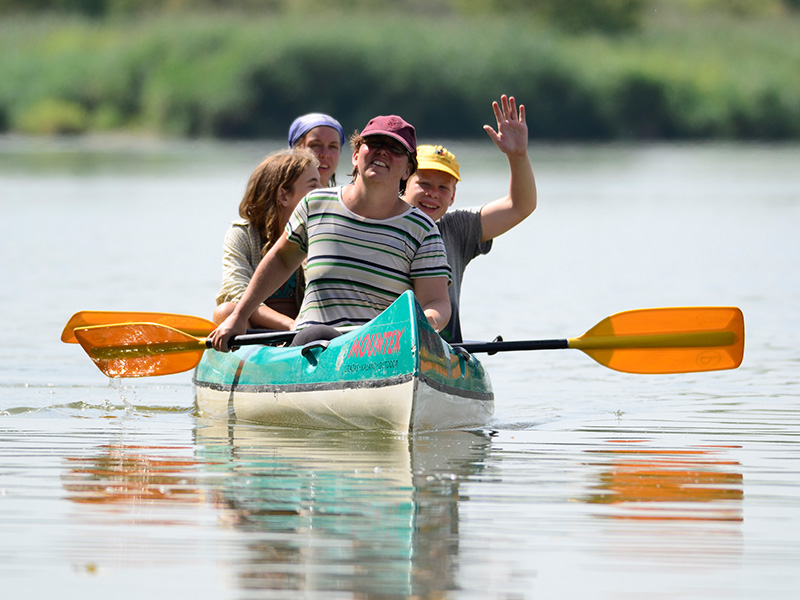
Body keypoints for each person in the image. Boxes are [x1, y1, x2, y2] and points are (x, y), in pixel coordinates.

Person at [208, 115, 451, 352]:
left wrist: (425, 323)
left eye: (395, 149)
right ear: (356, 156)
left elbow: (436, 302)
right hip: (312, 343)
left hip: (380, 350)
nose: (383, 151)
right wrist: (240, 316)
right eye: (374, 144)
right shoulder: (315, 204)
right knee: (317, 335)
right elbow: (281, 260)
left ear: (408, 170)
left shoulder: (423, 229)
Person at [402, 94, 537, 342]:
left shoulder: (457, 227)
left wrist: (517, 157)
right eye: (424, 184)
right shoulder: (383, 221)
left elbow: (521, 206)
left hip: (444, 351)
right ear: (404, 184)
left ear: (453, 197)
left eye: (443, 188)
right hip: (384, 346)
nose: (433, 194)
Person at [213, 149, 322, 330]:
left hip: (303, 330)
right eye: (313, 185)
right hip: (260, 330)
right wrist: (289, 325)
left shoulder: (318, 233)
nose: (322, 191)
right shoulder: (242, 234)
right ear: (283, 196)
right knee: (225, 312)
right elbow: (235, 292)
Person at [288, 112, 345, 187]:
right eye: (316, 145)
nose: (325, 154)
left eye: (333, 146)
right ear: (296, 149)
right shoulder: (277, 197)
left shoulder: (346, 197)